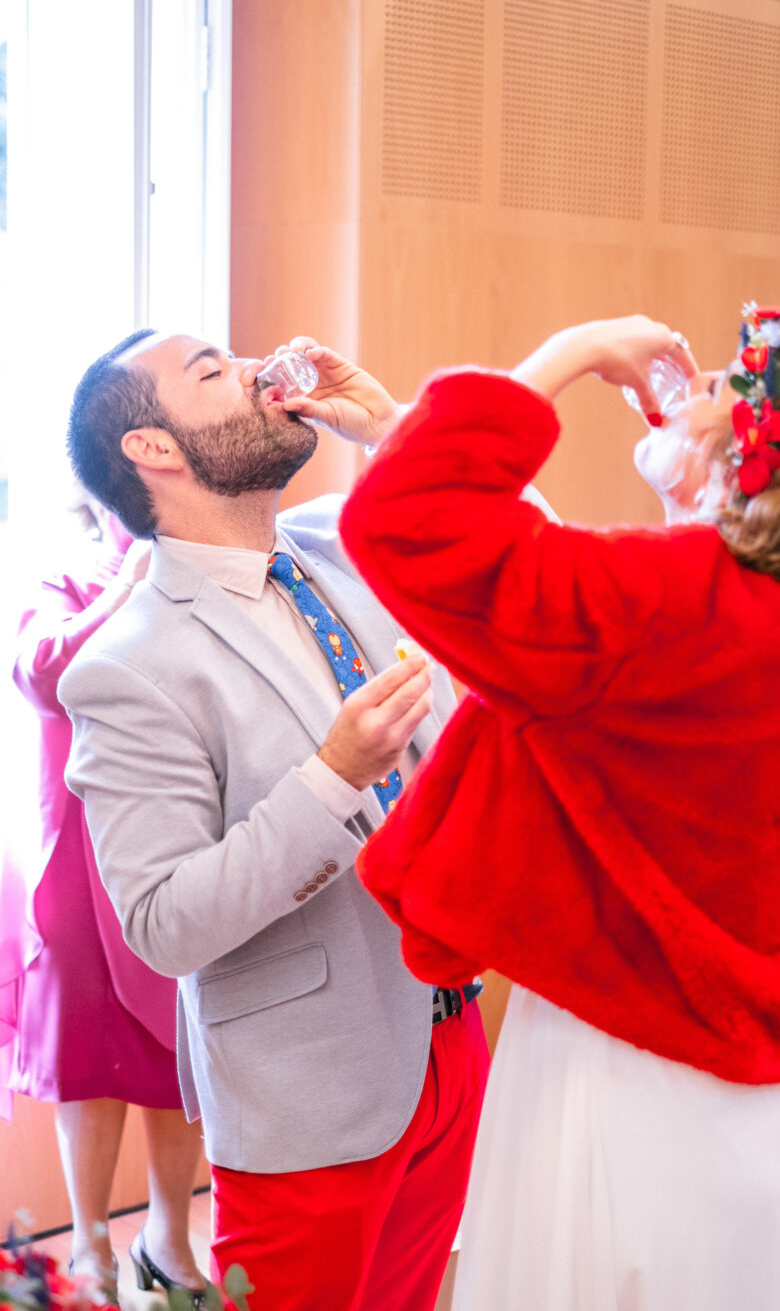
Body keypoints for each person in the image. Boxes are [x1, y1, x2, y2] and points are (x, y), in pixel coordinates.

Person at [337, 306, 780, 1311]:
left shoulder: (673, 614)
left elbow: (405, 523)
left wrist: (578, 348)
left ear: (755, 455)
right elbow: (601, 640)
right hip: (745, 1119)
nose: (695, 385)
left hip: (616, 1084)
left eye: (724, 385)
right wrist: (396, 421)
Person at [58, 331, 490, 1311]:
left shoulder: (348, 540)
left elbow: (527, 550)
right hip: (311, 1091)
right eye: (213, 370)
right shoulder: (126, 664)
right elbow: (164, 924)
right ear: (155, 450)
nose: (257, 370)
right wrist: (334, 777)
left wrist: (389, 428)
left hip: (450, 1038)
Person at [3, 494, 206, 1306]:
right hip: (79, 857)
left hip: (175, 843)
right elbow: (43, 675)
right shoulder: (62, 582)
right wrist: (127, 583)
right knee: (87, 1054)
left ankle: (167, 1234)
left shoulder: (194, 575)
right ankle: (89, 1243)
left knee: (178, 1053)